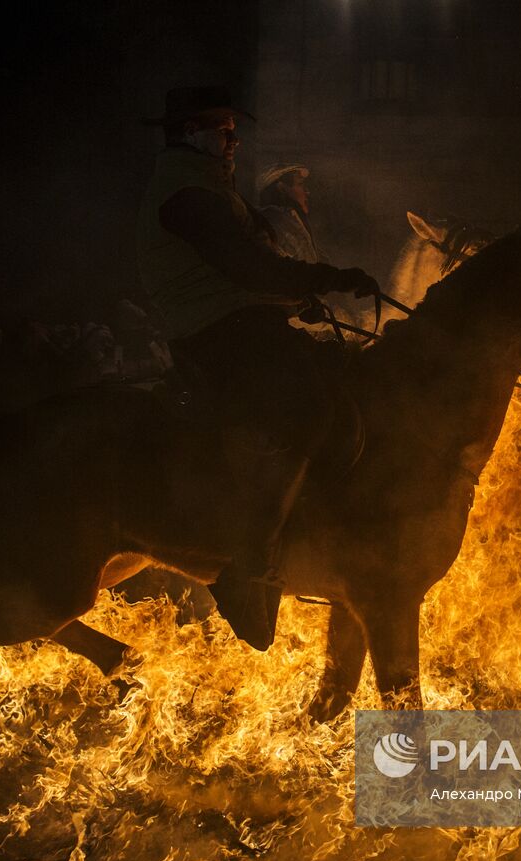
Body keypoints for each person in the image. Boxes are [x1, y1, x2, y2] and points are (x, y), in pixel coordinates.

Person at [136, 86, 378, 650]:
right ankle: (251, 560)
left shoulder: (208, 188)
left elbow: (257, 268)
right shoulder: (184, 193)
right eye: (224, 131)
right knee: (310, 409)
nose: (233, 141)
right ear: (191, 132)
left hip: (240, 323)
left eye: (232, 132)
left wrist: (298, 298)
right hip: (216, 333)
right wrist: (324, 278)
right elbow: (245, 267)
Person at [256, 162, 324, 263]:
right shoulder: (277, 223)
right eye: (300, 184)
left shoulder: (294, 220)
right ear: (281, 189)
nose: (307, 191)